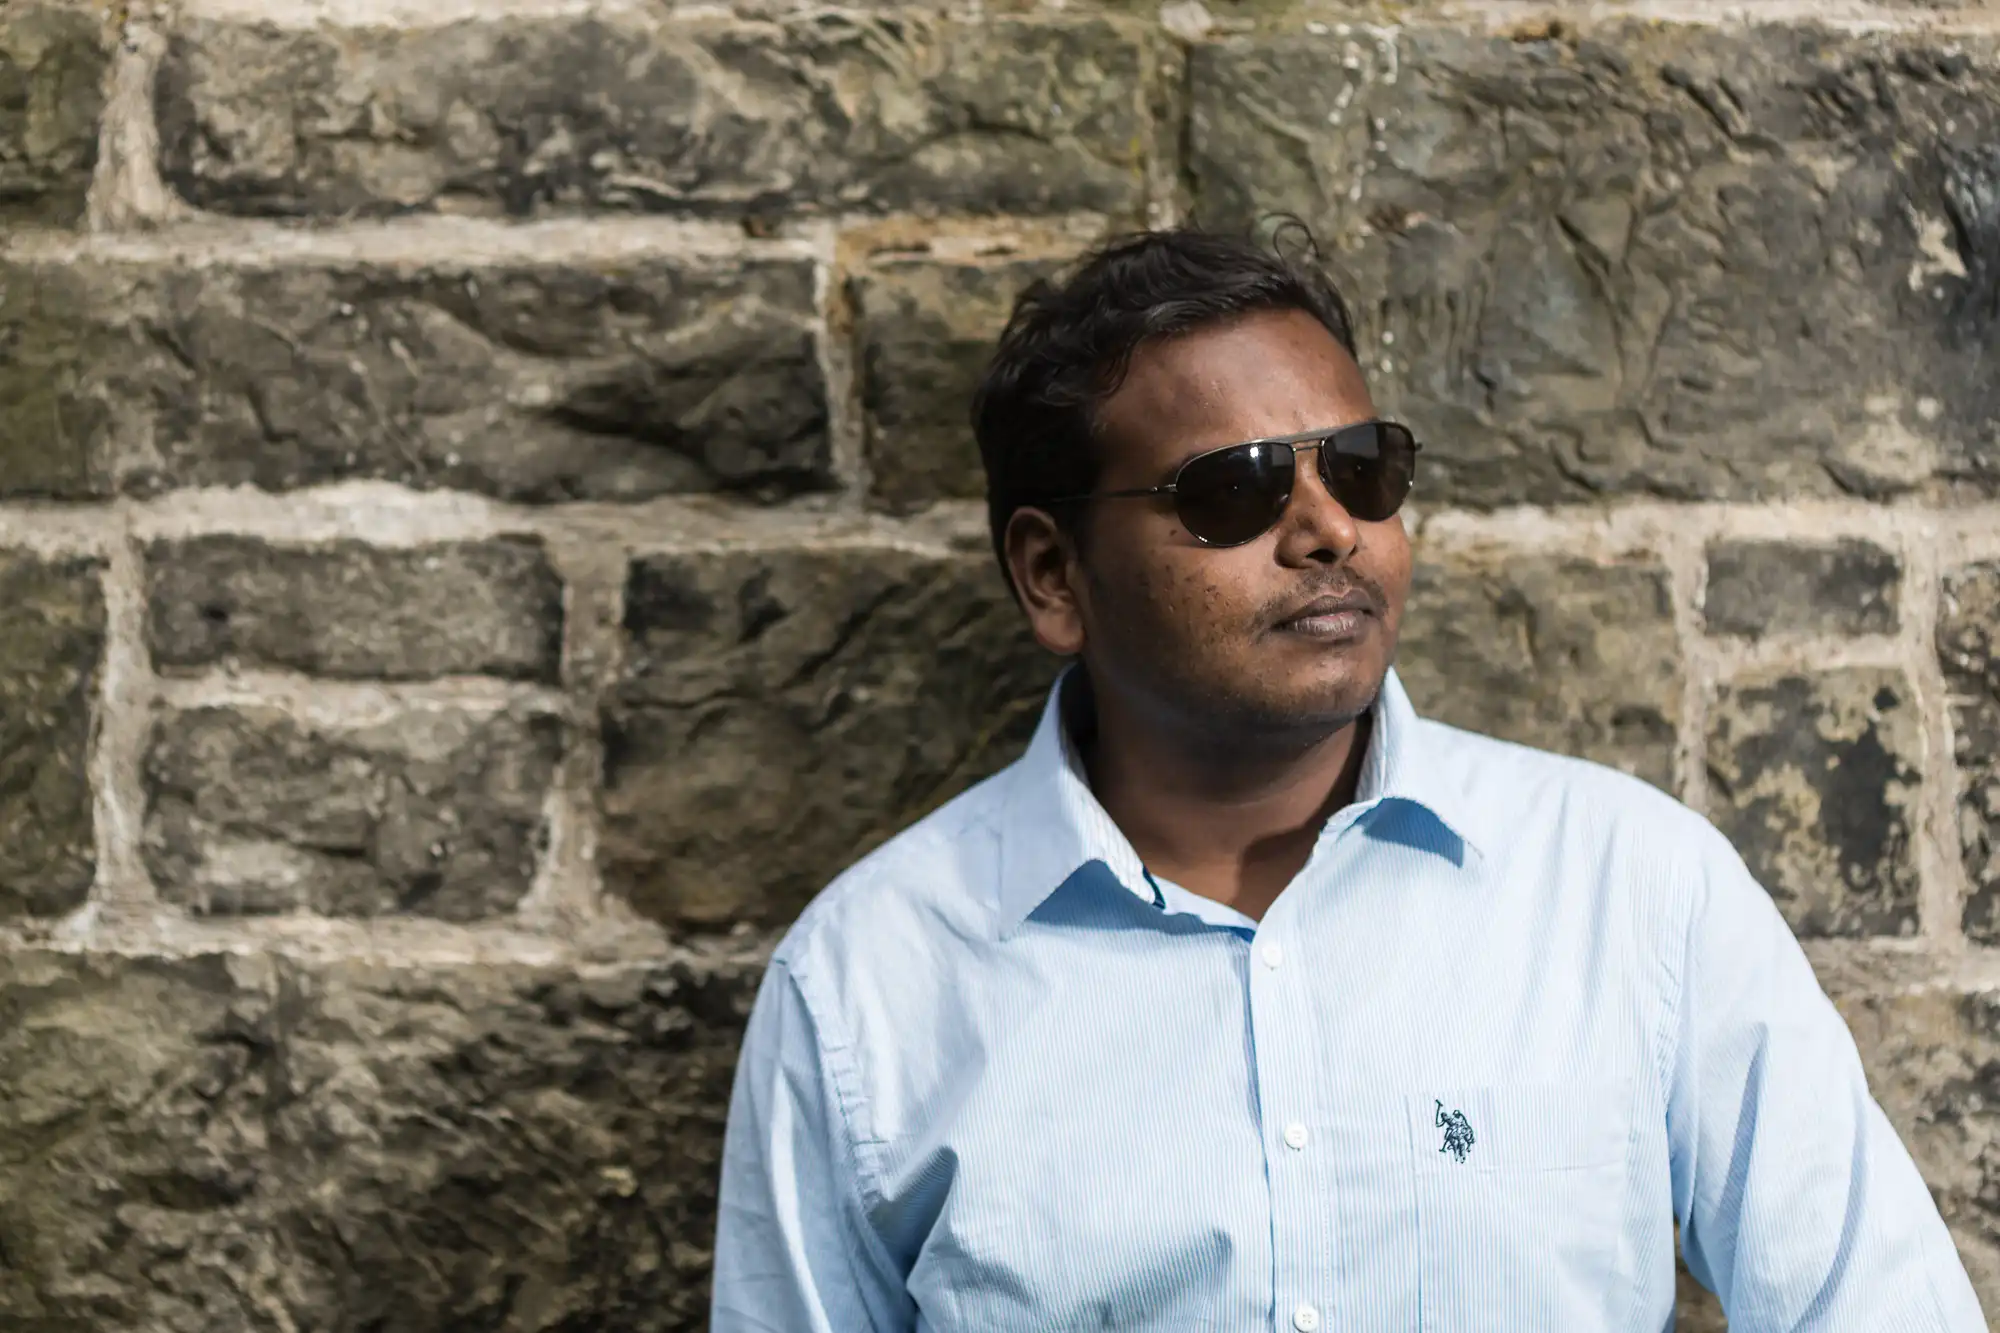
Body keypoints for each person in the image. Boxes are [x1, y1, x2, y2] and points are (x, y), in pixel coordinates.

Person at [709, 226, 1986, 1331]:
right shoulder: (868, 987)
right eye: (1235, 489)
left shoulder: (1629, 891)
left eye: (1360, 467)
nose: (1328, 529)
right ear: (1052, 576)